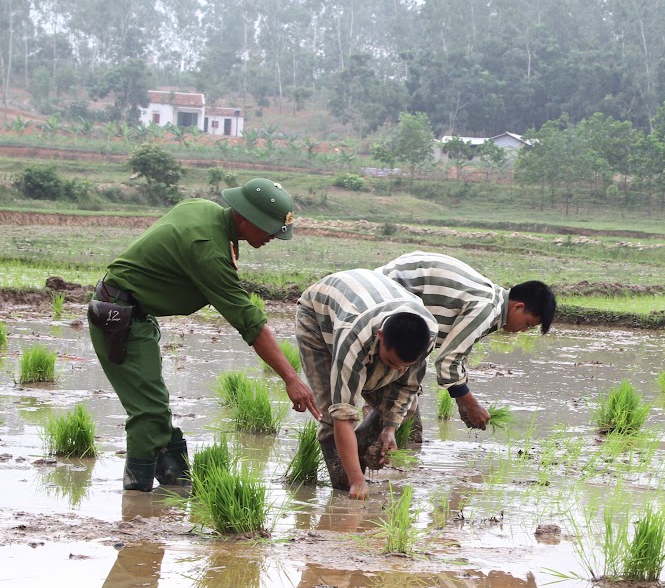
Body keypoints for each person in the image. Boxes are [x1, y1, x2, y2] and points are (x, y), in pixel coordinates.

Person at [87, 178, 321, 492]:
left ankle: (176, 486)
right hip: (119, 317)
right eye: (268, 228)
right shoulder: (208, 251)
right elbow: (249, 322)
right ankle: (137, 500)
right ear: (244, 217)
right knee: (148, 412)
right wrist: (291, 378)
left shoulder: (205, 211)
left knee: (154, 405)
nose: (272, 237)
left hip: (134, 313)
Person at [296, 269, 438, 499]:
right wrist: (356, 480)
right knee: (332, 415)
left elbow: (407, 388)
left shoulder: (428, 334)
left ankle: (359, 450)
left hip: (373, 303)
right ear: (380, 336)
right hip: (318, 316)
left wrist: (390, 428)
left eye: (405, 365)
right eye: (392, 362)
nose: (397, 371)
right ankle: (344, 486)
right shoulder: (354, 337)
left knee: (406, 407)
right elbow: (342, 413)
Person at [376, 251, 556, 430]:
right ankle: (361, 451)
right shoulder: (487, 308)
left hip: (391, 296)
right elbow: (448, 361)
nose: (523, 330)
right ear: (518, 307)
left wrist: (462, 403)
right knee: (394, 404)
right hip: (383, 298)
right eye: (527, 324)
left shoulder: (491, 300)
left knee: (403, 408)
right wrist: (471, 405)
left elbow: (456, 355)